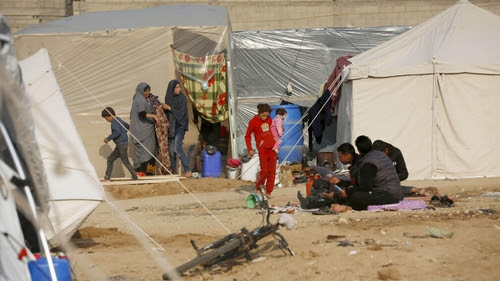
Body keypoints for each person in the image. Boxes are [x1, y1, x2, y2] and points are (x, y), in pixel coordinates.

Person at [341, 135, 403, 211]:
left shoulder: (368, 162)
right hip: (395, 193)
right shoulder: (379, 154)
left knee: (356, 196)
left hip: (389, 195)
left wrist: (348, 191)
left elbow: (365, 187)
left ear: (358, 150)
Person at [373, 139, 439, 197]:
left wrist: (393, 178)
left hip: (392, 183)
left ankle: (416, 190)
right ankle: (416, 190)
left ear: (386, 150)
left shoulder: (396, 153)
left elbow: (404, 173)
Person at [245, 103, 277, 198]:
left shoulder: (270, 120)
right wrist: (249, 149)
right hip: (262, 149)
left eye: (267, 115)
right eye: (263, 115)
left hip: (272, 149)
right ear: (259, 113)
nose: (265, 117)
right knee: (264, 170)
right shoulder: (253, 122)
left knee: (272, 171)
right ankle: (259, 187)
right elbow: (247, 136)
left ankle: (268, 192)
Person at [130, 82, 159, 176]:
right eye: (146, 91)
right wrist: (154, 116)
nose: (148, 93)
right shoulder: (141, 100)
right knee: (148, 151)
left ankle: (139, 174)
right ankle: (147, 174)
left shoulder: (137, 98)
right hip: (145, 131)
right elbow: (142, 113)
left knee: (140, 152)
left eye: (149, 90)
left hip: (140, 130)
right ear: (141, 91)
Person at [101, 107, 138, 181]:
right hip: (121, 144)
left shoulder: (114, 123)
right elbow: (127, 126)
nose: (106, 120)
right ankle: (107, 177)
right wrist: (123, 133)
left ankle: (135, 177)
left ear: (110, 116)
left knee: (125, 162)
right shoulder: (119, 119)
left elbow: (117, 132)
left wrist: (108, 138)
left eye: (106, 118)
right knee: (110, 159)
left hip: (121, 145)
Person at [165, 80, 191, 177]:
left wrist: (169, 108)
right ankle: (173, 172)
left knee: (177, 147)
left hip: (180, 125)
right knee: (171, 151)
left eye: (179, 87)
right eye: (176, 87)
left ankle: (187, 169)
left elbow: (181, 113)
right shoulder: (169, 98)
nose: (179, 89)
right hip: (171, 127)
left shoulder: (182, 98)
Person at [147, 89, 172, 175]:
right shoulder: (149, 103)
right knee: (162, 148)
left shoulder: (154, 102)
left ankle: (165, 168)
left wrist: (169, 108)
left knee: (163, 148)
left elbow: (162, 106)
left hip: (162, 127)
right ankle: (165, 168)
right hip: (159, 127)